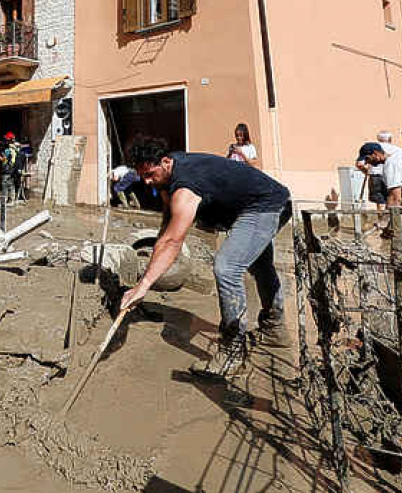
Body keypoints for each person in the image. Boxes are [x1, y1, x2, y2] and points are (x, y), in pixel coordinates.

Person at [122, 137, 292, 380]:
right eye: (142, 176)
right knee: (260, 265)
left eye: (150, 174)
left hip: (267, 205)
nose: (147, 181)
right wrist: (155, 256)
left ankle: (233, 352)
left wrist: (144, 285)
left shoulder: (186, 186)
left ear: (166, 162)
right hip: (255, 203)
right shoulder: (167, 174)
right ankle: (275, 331)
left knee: (227, 267)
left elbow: (173, 241)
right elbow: (168, 226)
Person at [0, 132, 21, 204]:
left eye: (6, 139)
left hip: (7, 168)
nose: (5, 140)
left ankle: (4, 200)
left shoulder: (8, 150)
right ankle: (11, 200)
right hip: (12, 169)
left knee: (4, 184)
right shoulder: (15, 148)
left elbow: (4, 159)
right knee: (11, 184)